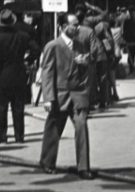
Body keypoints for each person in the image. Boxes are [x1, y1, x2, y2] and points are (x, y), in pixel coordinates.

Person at [37, 15, 94, 179]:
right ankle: (47, 162)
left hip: (77, 94)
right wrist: (48, 98)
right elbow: (47, 73)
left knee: (81, 127)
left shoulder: (80, 44)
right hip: (59, 95)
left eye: (78, 25)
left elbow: (90, 62)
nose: (77, 28)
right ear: (63, 26)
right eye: (74, 25)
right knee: (54, 128)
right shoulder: (53, 46)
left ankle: (83, 167)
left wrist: (85, 61)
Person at [0, 9, 36, 144]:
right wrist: (28, 60)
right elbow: (36, 49)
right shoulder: (23, 36)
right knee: (18, 108)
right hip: (19, 74)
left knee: (2, 108)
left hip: (3, 76)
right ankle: (19, 136)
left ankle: (2, 136)